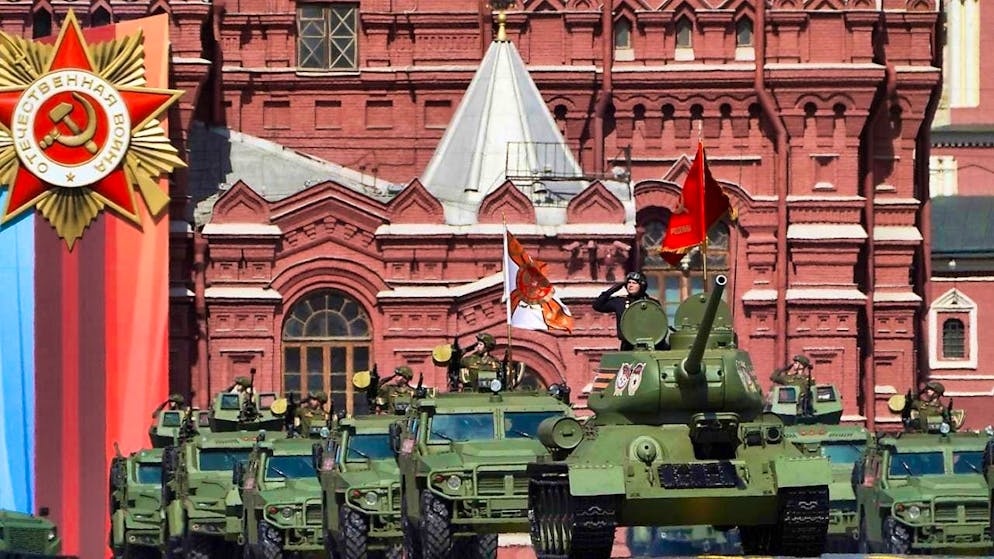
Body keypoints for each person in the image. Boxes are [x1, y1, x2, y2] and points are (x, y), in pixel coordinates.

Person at [593, 271, 669, 351]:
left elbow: (660, 325)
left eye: (634, 283)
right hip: (628, 345)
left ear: (642, 285)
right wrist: (611, 291)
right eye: (629, 282)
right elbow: (597, 306)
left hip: (650, 345)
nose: (630, 285)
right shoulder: (620, 302)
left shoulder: (651, 303)